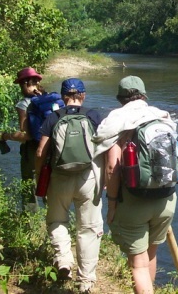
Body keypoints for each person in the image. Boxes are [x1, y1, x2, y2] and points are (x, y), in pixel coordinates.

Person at [92, 75, 178, 294]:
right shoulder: (162, 117)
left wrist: (111, 204)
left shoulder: (117, 120)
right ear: (144, 95)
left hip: (133, 201)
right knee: (150, 255)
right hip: (166, 198)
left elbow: (112, 167)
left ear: (121, 98)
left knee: (137, 264)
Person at [34, 78, 104, 293]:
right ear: (83, 95)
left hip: (59, 178)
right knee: (89, 229)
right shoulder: (93, 116)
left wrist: (39, 179)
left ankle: (64, 260)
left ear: (63, 97)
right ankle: (85, 282)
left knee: (56, 220)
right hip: (87, 178)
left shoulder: (54, 117)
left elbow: (40, 152)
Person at [1, 67, 43, 211]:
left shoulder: (23, 103)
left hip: (32, 149)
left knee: (29, 186)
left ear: (25, 83)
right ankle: (54, 223)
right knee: (49, 184)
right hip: (51, 147)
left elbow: (26, 135)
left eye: (20, 84)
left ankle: (29, 224)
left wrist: (6, 136)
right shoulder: (49, 98)